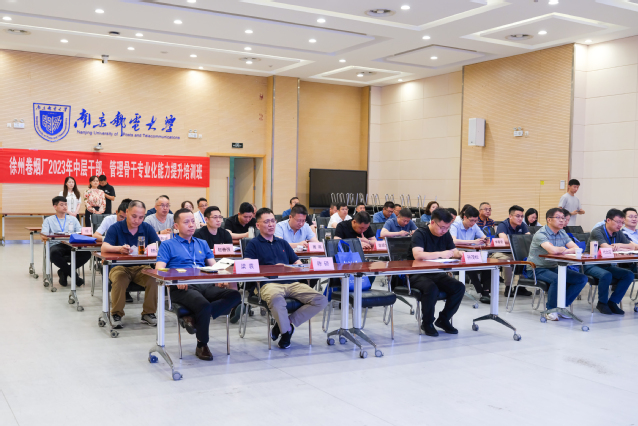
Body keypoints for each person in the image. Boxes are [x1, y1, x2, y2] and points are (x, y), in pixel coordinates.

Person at [156, 208, 241, 361]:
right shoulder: (167, 245)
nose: (191, 225)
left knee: (235, 295)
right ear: (176, 226)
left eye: (192, 221)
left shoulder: (202, 243)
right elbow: (159, 269)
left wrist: (221, 278)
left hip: (205, 285)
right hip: (182, 287)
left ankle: (194, 318)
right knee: (204, 305)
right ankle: (202, 344)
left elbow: (214, 266)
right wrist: (176, 279)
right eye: (186, 222)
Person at [244, 208, 328, 349]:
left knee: (321, 300)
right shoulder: (253, 244)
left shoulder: (283, 243)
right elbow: (247, 266)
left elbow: (298, 264)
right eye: (266, 222)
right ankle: (286, 332)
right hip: (268, 283)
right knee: (277, 300)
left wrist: (290, 267)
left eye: (273, 221)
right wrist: (272, 268)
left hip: (292, 282)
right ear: (258, 225)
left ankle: (286, 324)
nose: (271, 224)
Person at [405, 208, 465, 336]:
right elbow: (418, 255)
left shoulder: (445, 234)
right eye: (442, 227)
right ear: (432, 222)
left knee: (459, 287)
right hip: (416, 273)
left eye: (447, 228)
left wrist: (459, 254)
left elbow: (453, 251)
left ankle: (443, 319)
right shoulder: (420, 234)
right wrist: (441, 254)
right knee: (431, 288)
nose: (444, 231)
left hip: (435, 273)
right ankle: (427, 323)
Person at [102, 200, 160, 329]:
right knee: (119, 279)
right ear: (127, 212)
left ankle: (148, 313)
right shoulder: (116, 227)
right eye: (134, 216)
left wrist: (150, 247)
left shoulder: (146, 227)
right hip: (120, 267)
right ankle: (116, 314)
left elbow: (157, 244)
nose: (137, 220)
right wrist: (119, 249)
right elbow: (104, 247)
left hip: (141, 267)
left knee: (154, 279)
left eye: (141, 217)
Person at [526, 208, 588, 321]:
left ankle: (562, 307)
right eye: (558, 218)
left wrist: (562, 250)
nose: (562, 220)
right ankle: (551, 309)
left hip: (555, 267)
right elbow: (552, 251)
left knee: (582, 278)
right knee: (558, 279)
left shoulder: (562, 232)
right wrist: (563, 250)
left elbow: (576, 248)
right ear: (549, 219)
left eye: (563, 218)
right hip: (537, 268)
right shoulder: (541, 234)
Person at [585, 209, 637, 315]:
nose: (620, 225)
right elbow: (606, 247)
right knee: (606, 275)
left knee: (628, 275)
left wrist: (619, 245)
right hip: (591, 264)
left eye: (622, 223)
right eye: (618, 222)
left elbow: (632, 246)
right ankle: (602, 303)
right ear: (608, 220)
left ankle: (613, 302)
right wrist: (619, 247)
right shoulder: (597, 231)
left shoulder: (618, 232)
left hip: (606, 264)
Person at [42, 196, 91, 287]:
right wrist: (58, 237)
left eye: (66, 204)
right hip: (56, 244)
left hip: (71, 244)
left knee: (87, 253)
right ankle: (75, 277)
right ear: (55, 206)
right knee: (54, 254)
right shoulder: (48, 220)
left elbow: (80, 232)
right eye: (61, 205)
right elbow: (44, 235)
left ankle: (64, 272)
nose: (65, 206)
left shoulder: (73, 219)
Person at [449, 206, 490, 303]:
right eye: (471, 220)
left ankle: (486, 291)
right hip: (457, 255)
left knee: (488, 264)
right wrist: (473, 242)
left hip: (471, 254)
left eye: (475, 221)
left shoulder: (474, 226)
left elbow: (484, 237)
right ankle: (481, 291)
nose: (473, 223)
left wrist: (485, 240)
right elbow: (453, 241)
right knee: (469, 262)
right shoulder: (455, 226)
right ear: (465, 217)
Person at [496, 205, 532, 297]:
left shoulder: (522, 225)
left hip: (516, 253)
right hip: (501, 253)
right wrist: (520, 240)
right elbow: (504, 240)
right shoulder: (503, 225)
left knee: (526, 259)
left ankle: (521, 286)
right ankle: (508, 287)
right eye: (517, 216)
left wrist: (515, 240)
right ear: (510, 216)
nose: (520, 218)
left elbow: (528, 239)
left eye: (522, 216)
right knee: (508, 261)